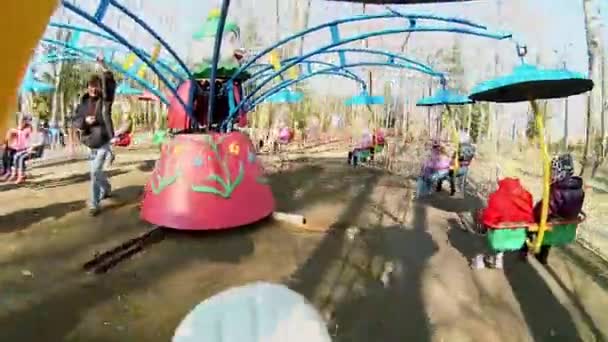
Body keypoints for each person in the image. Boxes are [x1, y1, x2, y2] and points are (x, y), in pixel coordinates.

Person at [520, 153, 585, 264]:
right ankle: (542, 257)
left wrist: (534, 212)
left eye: (554, 171)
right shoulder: (579, 190)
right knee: (550, 224)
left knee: (531, 224)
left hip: (553, 225)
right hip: (566, 226)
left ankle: (524, 250)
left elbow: (546, 209)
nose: (552, 174)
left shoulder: (557, 190)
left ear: (561, 172)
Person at [73, 56, 116, 216]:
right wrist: (85, 121)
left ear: (99, 87)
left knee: (94, 172)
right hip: (90, 142)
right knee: (97, 173)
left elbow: (110, 85)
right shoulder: (83, 102)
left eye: (96, 86)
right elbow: (76, 120)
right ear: (87, 87)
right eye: (90, 86)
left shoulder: (105, 100)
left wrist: (103, 66)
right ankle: (107, 188)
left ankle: (94, 204)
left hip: (103, 141)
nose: (92, 89)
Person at [472, 177, 535, 269]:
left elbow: (489, 218)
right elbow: (529, 214)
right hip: (518, 239)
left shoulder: (497, 198)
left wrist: (483, 217)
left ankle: (484, 259)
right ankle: (498, 257)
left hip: (498, 238)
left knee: (483, 221)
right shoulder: (525, 196)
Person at [10, 118, 47, 184]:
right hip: (28, 150)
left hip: (36, 152)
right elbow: (27, 142)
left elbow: (41, 143)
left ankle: (21, 176)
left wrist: (33, 147)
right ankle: (17, 173)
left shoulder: (41, 133)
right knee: (16, 156)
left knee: (21, 158)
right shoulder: (31, 133)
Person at [1, 114, 32, 181]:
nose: (21, 123)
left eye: (22, 121)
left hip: (23, 149)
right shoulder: (18, 129)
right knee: (6, 154)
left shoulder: (27, 129)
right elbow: (13, 137)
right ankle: (9, 172)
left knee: (13, 155)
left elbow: (26, 141)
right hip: (16, 147)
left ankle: (14, 173)